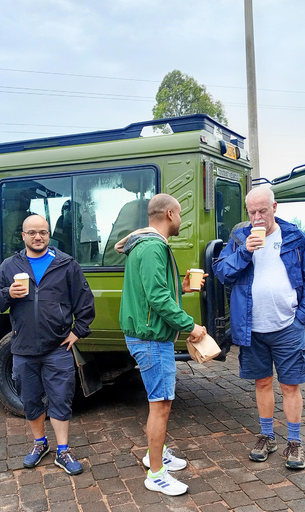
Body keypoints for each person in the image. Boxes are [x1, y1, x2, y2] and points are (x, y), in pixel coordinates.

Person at [213, 187, 305, 468]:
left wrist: (302, 316)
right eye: (252, 212)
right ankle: (266, 435)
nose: (258, 217)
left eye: (263, 210)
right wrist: (244, 253)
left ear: (275, 206)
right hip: (253, 327)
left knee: (290, 385)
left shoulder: (295, 237)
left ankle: (294, 442)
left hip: (288, 325)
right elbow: (222, 273)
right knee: (262, 382)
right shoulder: (239, 238)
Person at [0, 215, 95, 476]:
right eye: (32, 232)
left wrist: (77, 332)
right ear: (23, 236)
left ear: (49, 235)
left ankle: (63, 450)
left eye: (43, 232)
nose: (38, 237)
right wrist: (7, 294)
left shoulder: (66, 265)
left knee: (61, 398)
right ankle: (39, 444)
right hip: (22, 348)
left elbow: (85, 302)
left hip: (58, 347)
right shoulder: (10, 266)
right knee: (31, 399)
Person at [116, 193, 206, 496]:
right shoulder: (154, 247)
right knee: (161, 405)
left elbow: (153, 291)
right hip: (152, 337)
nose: (181, 220)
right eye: (179, 214)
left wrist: (181, 287)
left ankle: (156, 453)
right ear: (169, 214)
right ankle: (156, 474)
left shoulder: (144, 245)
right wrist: (191, 326)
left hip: (147, 334)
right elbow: (156, 298)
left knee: (160, 402)